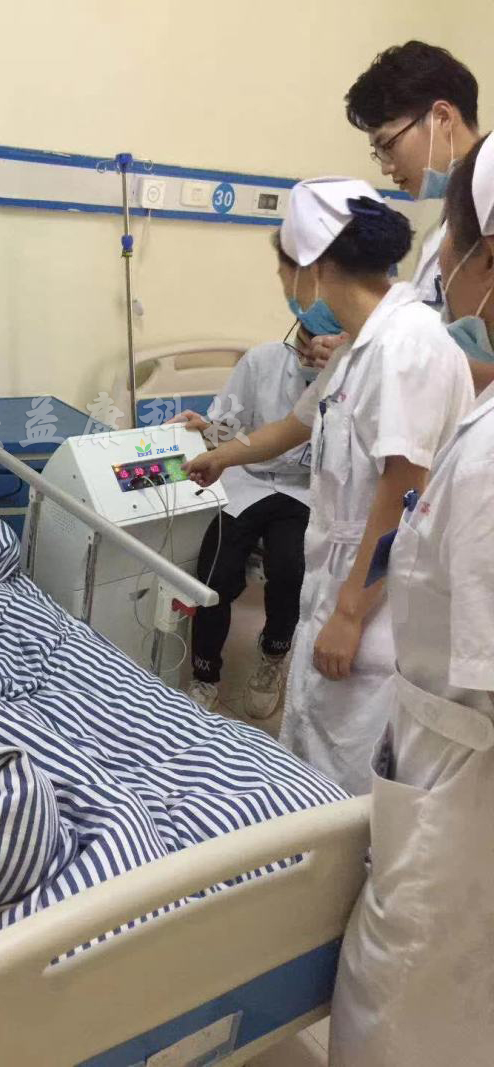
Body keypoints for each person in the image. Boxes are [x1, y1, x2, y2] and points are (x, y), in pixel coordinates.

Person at [185, 177, 473, 794]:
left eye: (284, 270)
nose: (285, 288)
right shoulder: (357, 349)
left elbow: (404, 490)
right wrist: (224, 455)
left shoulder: (405, 349)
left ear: (312, 268)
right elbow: (296, 423)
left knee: (350, 764)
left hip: (376, 594)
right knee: (315, 739)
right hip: (343, 570)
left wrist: (348, 613)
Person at [330, 133, 494, 1067]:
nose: (445, 274)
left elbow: (404, 484)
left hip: (461, 798)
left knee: (405, 1004)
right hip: (446, 758)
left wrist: (350, 608)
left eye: (454, 248)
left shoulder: (488, 454)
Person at [169, 322, 333, 717]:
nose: (306, 355)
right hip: (247, 479)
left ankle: (272, 655)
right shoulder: (262, 361)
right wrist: (206, 430)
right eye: (300, 344)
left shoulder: (351, 380)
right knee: (215, 572)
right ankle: (205, 674)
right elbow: (228, 426)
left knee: (291, 569)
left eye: (316, 349)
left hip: (302, 489)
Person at [312, 42, 489, 391]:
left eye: (388, 145)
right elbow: (434, 339)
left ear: (442, 118)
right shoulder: (443, 230)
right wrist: (368, 342)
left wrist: (383, 357)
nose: (387, 167)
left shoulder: (484, 214)